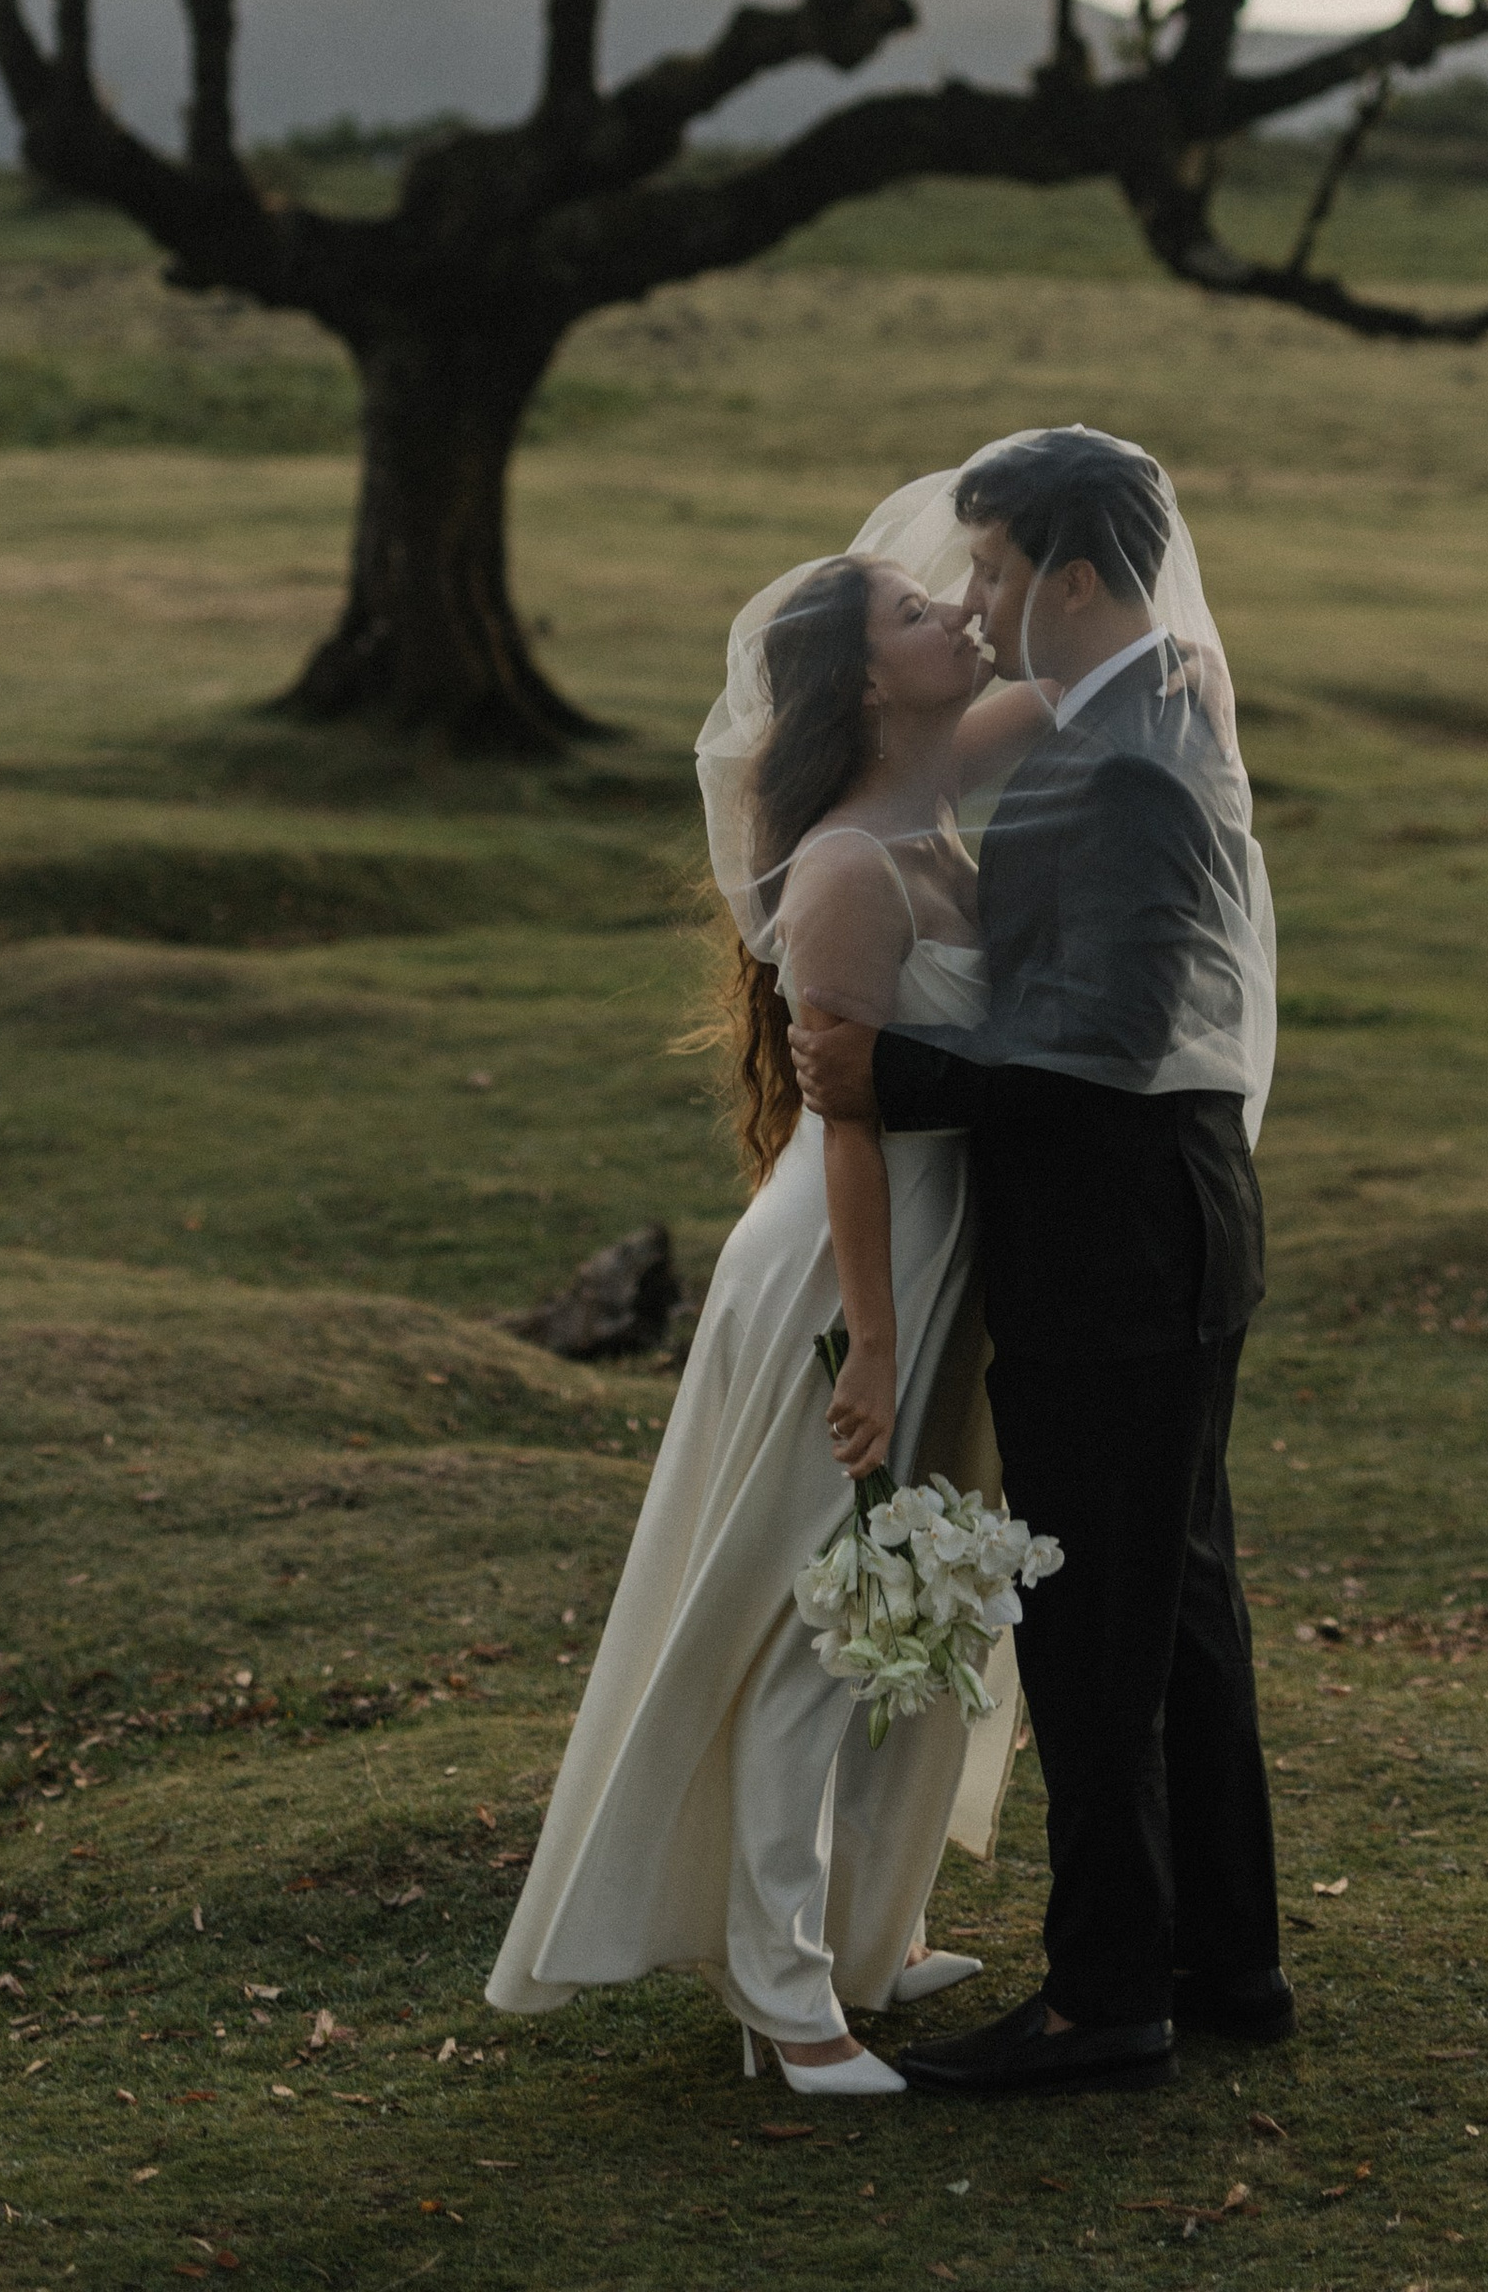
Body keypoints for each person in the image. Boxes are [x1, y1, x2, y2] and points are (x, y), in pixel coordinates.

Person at [486, 552, 1043, 2097]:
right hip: (842, 1268)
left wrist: (1074, 604)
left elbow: (1067, 694)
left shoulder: (929, 791)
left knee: (900, 1598)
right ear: (867, 680)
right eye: (920, 618)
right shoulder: (851, 867)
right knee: (823, 1614)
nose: (958, 625)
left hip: (928, 1258)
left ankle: (866, 1927)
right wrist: (869, 1344)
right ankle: (788, 1998)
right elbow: (852, 1128)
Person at [792, 426, 1287, 2096]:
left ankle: (1106, 2000)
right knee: (1183, 1608)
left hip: (1122, 1235)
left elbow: (1119, 1043)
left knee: (1097, 1637)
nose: (976, 600)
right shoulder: (1135, 704)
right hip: (1161, 1223)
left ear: (1077, 578)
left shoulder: (1127, 759)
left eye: (997, 572)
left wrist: (895, 1077)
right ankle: (1230, 1961)